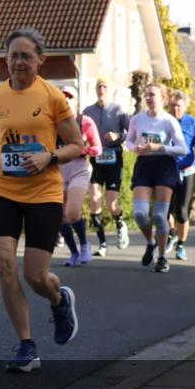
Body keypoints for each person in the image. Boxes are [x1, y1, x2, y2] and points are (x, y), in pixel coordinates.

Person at [0, 28, 84, 372]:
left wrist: (49, 157)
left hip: (44, 195)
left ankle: (58, 299)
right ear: (5, 59)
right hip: (5, 193)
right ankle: (26, 346)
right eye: (12, 56)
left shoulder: (52, 97)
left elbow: (77, 145)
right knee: (5, 267)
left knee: (36, 276)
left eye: (25, 56)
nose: (18, 62)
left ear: (40, 60)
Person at [123, 83, 188, 273]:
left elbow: (182, 148)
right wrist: (136, 149)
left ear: (163, 99)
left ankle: (161, 257)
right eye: (147, 95)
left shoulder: (169, 121)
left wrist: (160, 148)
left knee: (160, 216)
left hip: (164, 166)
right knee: (140, 214)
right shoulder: (137, 119)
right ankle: (150, 242)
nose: (149, 98)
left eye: (153, 95)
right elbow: (129, 140)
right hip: (144, 165)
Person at [83, 78, 131, 256]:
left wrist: (117, 136)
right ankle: (102, 244)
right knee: (95, 198)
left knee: (111, 204)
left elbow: (130, 132)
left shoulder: (118, 110)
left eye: (104, 87)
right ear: (95, 90)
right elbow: (81, 130)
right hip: (96, 157)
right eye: (99, 87)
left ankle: (120, 222)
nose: (101, 90)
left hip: (114, 157)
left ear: (109, 90)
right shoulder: (88, 112)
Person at [57, 85, 101, 266]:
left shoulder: (85, 122)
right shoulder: (52, 122)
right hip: (58, 169)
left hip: (79, 168)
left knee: (72, 213)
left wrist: (80, 149)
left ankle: (84, 244)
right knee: (60, 216)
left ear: (76, 101)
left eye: (70, 97)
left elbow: (98, 148)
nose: (66, 99)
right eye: (62, 96)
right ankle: (74, 253)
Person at [164, 90, 195, 261]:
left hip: (187, 170)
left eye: (179, 106)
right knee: (165, 209)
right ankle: (172, 233)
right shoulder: (164, 121)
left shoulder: (192, 123)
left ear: (185, 106)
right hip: (167, 170)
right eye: (173, 106)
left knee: (181, 211)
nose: (175, 109)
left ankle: (181, 245)